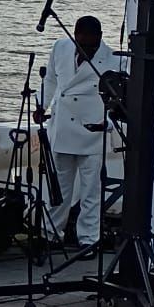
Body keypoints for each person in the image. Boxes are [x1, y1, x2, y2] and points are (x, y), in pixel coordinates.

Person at [40, 14, 119, 252]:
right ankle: (51, 233)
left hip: (92, 130)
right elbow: (51, 80)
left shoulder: (113, 59)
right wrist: (40, 105)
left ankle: (89, 239)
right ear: (74, 36)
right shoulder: (60, 47)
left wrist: (107, 122)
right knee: (59, 187)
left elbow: (118, 97)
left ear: (100, 38)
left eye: (90, 44)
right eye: (80, 42)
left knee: (91, 191)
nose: (84, 47)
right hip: (63, 127)